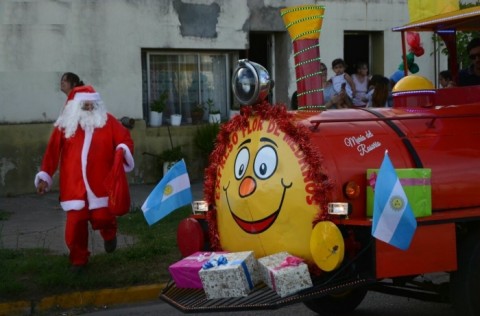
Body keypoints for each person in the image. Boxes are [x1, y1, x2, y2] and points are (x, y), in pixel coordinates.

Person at [35, 84, 135, 272]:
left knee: (103, 216)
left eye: (92, 104)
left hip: (101, 183)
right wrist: (45, 176)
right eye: (85, 105)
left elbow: (125, 138)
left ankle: (109, 233)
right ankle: (78, 259)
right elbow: (52, 152)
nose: (89, 108)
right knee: (75, 226)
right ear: (74, 106)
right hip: (74, 186)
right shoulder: (65, 125)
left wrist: (122, 149)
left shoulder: (108, 121)